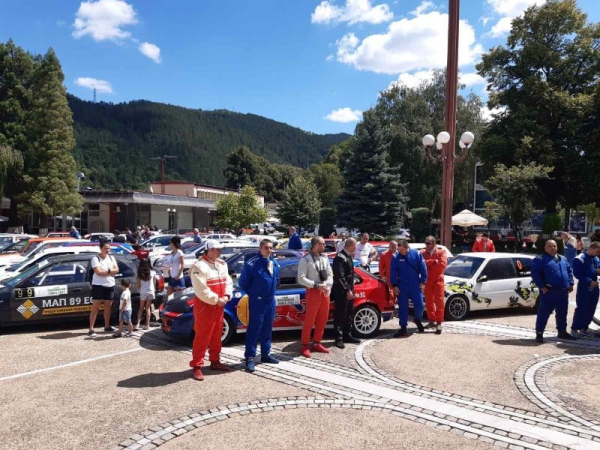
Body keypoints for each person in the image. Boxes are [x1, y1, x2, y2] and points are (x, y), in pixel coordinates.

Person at [188, 240, 233, 380]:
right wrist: (217, 299)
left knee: (217, 335)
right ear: (209, 250)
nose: (219, 251)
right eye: (216, 249)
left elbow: (228, 281)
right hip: (204, 307)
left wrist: (226, 295)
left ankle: (215, 361)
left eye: (219, 249)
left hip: (219, 306)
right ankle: (197, 366)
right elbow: (201, 289)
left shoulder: (222, 264)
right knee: (202, 336)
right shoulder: (198, 266)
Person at [238, 239, 281, 372]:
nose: (269, 250)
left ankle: (265, 354)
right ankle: (250, 357)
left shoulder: (273, 262)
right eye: (266, 248)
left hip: (270, 300)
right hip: (257, 301)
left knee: (267, 328)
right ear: (260, 248)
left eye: (271, 248)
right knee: (254, 329)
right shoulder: (252, 264)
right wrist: (254, 293)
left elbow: (277, 279)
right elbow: (243, 282)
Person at [531, 240, 576, 343]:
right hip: (549, 292)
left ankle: (562, 332)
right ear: (545, 248)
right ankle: (539, 333)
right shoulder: (540, 259)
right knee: (544, 313)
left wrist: (571, 283)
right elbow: (535, 274)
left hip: (563, 292)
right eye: (550, 246)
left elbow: (569, 271)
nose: (553, 248)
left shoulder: (562, 258)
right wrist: (542, 286)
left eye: (554, 246)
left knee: (562, 313)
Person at [297, 236, 333, 358]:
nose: (325, 246)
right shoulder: (305, 260)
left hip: (324, 291)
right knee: (310, 320)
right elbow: (301, 278)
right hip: (313, 291)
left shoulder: (325, 258)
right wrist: (316, 285)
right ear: (316, 245)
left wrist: (328, 285)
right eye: (323, 244)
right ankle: (305, 345)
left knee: (323, 318)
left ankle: (317, 342)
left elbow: (330, 274)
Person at [390, 240, 427, 337]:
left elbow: (423, 268)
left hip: (415, 284)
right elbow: (392, 272)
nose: (400, 252)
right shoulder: (395, 256)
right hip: (402, 285)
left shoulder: (417, 254)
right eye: (399, 250)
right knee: (403, 307)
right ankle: (403, 328)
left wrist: (423, 282)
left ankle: (417, 319)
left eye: (402, 250)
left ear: (407, 248)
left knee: (420, 305)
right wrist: (395, 285)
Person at [332, 237, 360, 349]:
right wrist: (347, 290)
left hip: (349, 289)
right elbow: (340, 276)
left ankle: (347, 335)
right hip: (341, 291)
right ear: (351, 245)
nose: (356, 248)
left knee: (349, 313)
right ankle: (338, 338)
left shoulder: (348, 256)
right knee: (340, 314)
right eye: (355, 246)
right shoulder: (340, 257)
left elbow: (350, 273)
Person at [88, 239, 119, 337]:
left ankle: (107, 326)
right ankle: (91, 329)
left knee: (108, 306)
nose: (107, 250)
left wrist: (107, 271)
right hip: (98, 285)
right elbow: (99, 272)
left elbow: (117, 269)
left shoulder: (111, 258)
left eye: (109, 248)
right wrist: (111, 271)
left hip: (110, 284)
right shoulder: (95, 258)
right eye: (105, 248)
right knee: (95, 307)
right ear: (101, 248)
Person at [571, 242, 600, 338]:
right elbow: (577, 274)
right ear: (592, 248)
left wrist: (598, 271)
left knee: (591, 308)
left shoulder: (595, 258)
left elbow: (597, 268)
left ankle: (584, 329)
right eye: (597, 251)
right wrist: (589, 281)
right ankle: (575, 329)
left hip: (594, 287)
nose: (598, 253)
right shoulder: (580, 258)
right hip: (584, 287)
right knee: (582, 308)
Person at [421, 236, 447, 335]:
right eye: (426, 243)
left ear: (434, 243)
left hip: (438, 280)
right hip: (428, 280)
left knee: (439, 302)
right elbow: (421, 265)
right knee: (428, 302)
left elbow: (442, 265)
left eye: (428, 243)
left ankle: (439, 322)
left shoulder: (441, 252)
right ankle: (431, 320)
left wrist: (429, 266)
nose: (426, 245)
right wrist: (433, 262)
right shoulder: (423, 252)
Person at [135, 259, 156, 331]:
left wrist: (140, 288)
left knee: (141, 308)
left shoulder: (140, 274)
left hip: (143, 292)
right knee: (147, 308)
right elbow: (154, 282)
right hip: (150, 292)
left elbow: (138, 285)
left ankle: (137, 324)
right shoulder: (153, 272)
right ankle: (147, 325)